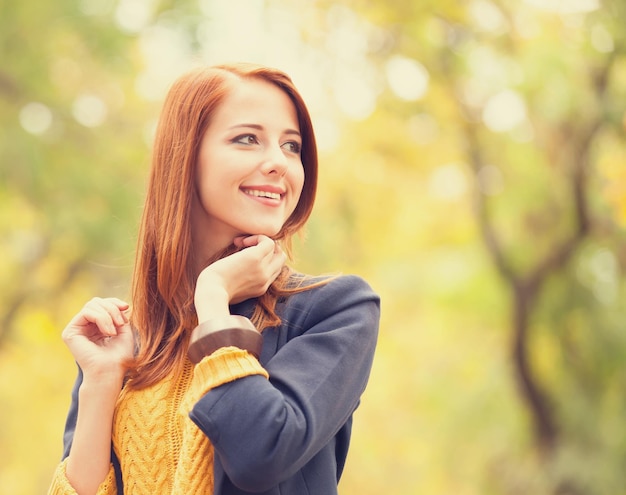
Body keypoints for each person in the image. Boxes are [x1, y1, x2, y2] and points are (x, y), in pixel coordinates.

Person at [47, 63, 380, 495]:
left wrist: (214, 297)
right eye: (247, 139)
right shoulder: (123, 337)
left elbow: (262, 453)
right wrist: (100, 383)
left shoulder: (335, 310)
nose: (279, 163)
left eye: (292, 146)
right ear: (185, 155)